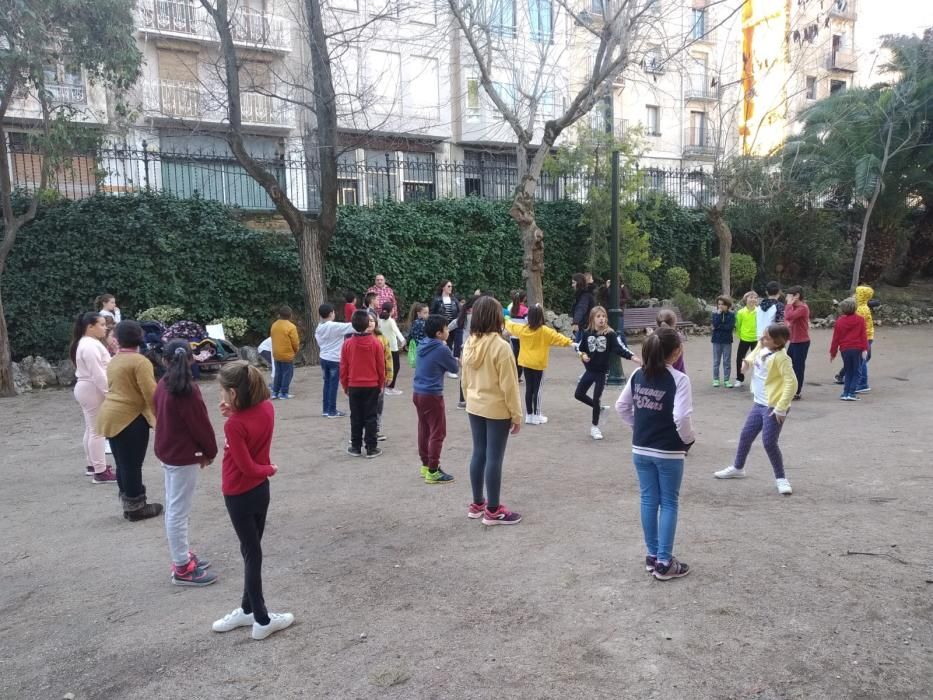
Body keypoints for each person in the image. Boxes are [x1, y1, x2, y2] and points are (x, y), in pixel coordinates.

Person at [212, 361, 294, 641]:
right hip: (260, 491)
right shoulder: (266, 408)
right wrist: (233, 413)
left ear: (234, 393)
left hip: (239, 491)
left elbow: (246, 466)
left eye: (224, 392)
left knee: (251, 553)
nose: (220, 397)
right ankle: (249, 610)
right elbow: (252, 429)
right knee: (252, 549)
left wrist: (269, 469)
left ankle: (261, 618)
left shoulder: (235, 425)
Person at [615, 327, 695, 581]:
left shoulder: (638, 374)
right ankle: (664, 561)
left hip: (641, 448)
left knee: (649, 500)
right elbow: (681, 417)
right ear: (675, 353)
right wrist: (688, 440)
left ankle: (653, 555)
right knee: (669, 502)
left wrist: (637, 427)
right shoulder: (680, 379)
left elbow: (621, 406)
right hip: (669, 451)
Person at [154, 340, 218, 587]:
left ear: (164, 360)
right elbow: (200, 424)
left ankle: (182, 556)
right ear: (193, 359)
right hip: (183, 456)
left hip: (169, 452)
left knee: (174, 507)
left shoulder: (162, 385)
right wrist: (209, 451)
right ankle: (181, 567)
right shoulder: (187, 390)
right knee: (178, 511)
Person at [714, 323, 797, 495]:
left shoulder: (782, 358)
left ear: (777, 342)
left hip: (772, 407)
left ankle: (781, 478)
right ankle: (738, 468)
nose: (762, 339)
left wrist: (781, 408)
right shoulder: (764, 345)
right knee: (746, 436)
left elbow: (792, 383)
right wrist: (747, 362)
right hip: (759, 403)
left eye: (766, 337)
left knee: (769, 442)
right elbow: (756, 351)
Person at [461, 296, 523, 525]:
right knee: (494, 457)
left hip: (474, 405)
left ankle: (478, 503)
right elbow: (510, 385)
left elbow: (465, 379)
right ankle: (494, 510)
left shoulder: (469, 343)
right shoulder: (501, 347)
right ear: (497, 317)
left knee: (479, 453)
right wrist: (516, 415)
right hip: (496, 408)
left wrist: (469, 399)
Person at [97, 321, 162, 520]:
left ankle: (129, 503)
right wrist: (162, 419)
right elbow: (151, 393)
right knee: (132, 465)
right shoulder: (139, 361)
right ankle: (136, 508)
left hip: (110, 415)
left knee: (122, 463)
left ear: (118, 338)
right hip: (130, 418)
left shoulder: (115, 359)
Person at [574, 306, 641, 440]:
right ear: (592, 318)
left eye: (604, 316)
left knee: (596, 397)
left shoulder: (610, 334)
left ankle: (595, 427)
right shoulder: (587, 333)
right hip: (590, 370)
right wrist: (583, 356)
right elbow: (579, 349)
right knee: (578, 394)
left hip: (601, 372)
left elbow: (619, 349)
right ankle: (600, 408)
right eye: (599, 316)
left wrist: (632, 357)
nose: (602, 319)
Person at [505, 305, 573, 425]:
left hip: (525, 362)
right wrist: (571, 343)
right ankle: (537, 415)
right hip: (538, 364)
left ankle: (529, 415)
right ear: (541, 317)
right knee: (538, 389)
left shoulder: (523, 329)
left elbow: (511, 325)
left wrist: (505, 318)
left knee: (529, 389)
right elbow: (559, 338)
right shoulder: (545, 331)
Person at [412, 314, 460, 483]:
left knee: (424, 429)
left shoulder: (423, 343)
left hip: (418, 392)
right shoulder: (441, 348)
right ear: (439, 333)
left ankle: (426, 465)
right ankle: (433, 470)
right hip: (432, 394)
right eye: (446, 328)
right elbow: (454, 368)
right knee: (438, 432)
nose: (448, 331)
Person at [71, 312, 116, 483]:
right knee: (97, 430)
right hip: (92, 388)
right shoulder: (90, 345)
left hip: (88, 388)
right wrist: (109, 393)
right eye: (102, 325)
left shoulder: (87, 343)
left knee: (92, 429)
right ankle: (100, 471)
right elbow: (98, 374)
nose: (105, 328)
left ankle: (93, 466)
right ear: (90, 327)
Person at [340, 310, 386, 458]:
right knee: (371, 416)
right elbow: (381, 366)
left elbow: (344, 367)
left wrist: (345, 385)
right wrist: (381, 384)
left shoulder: (347, 344)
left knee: (356, 416)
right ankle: (371, 447)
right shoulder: (376, 343)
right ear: (368, 324)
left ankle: (355, 446)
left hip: (354, 385)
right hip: (372, 385)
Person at [314, 303, 353, 417]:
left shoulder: (319, 327)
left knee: (327, 384)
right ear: (331, 313)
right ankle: (332, 411)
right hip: (334, 359)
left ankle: (326, 410)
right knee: (333, 385)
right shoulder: (334, 326)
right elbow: (352, 326)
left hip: (323, 358)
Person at [830, 298, 869, 401]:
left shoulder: (839, 321)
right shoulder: (860, 320)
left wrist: (833, 353)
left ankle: (845, 393)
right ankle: (851, 393)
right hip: (857, 349)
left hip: (845, 350)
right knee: (857, 372)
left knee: (848, 371)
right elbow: (863, 336)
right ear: (855, 308)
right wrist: (865, 349)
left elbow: (835, 338)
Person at [783, 285, 811, 400]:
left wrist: (789, 304)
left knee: (798, 367)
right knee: (788, 365)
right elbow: (786, 318)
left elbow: (789, 316)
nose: (787, 298)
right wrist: (787, 323)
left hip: (802, 342)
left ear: (797, 296)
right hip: (793, 341)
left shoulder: (803, 308)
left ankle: (797, 391)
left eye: (789, 296)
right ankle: (789, 388)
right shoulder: (793, 307)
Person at [370, 312, 393, 441]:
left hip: (380, 378)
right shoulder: (355, 338)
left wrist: (389, 374)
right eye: (366, 320)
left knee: (378, 405)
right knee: (362, 406)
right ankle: (361, 431)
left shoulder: (382, 338)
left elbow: (388, 358)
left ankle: (375, 429)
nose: (369, 323)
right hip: (364, 379)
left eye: (372, 320)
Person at [270, 306, 299, 400]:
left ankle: (275, 392)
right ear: (290, 315)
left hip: (276, 353)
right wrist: (295, 350)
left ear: (279, 314)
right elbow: (295, 342)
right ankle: (284, 393)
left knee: (278, 373)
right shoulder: (291, 327)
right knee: (287, 373)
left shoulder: (274, 325)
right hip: (287, 354)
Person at [379, 301, 406, 396]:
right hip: (392, 348)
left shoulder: (379, 320)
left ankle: (384, 386)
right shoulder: (391, 320)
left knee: (385, 367)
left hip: (382, 346)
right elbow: (397, 331)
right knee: (395, 367)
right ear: (391, 310)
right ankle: (390, 387)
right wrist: (403, 340)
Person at [733, 291, 759, 387]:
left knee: (757, 360)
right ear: (746, 299)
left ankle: (756, 379)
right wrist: (740, 335)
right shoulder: (740, 312)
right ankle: (739, 379)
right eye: (751, 297)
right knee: (740, 359)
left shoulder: (759, 311)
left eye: (755, 297)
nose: (753, 299)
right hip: (744, 339)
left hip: (756, 339)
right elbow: (738, 326)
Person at [430, 280, 461, 357]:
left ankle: (452, 359)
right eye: (449, 286)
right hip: (442, 325)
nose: (451, 288)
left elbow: (459, 312)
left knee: (455, 344)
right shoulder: (437, 300)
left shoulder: (454, 300)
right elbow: (432, 313)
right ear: (443, 287)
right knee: (445, 344)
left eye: (451, 286)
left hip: (453, 325)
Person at [711, 296, 736, 388]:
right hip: (716, 340)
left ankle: (726, 380)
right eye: (719, 304)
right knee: (716, 361)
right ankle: (716, 379)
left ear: (727, 305)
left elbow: (729, 327)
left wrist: (718, 327)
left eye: (723, 304)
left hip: (727, 341)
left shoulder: (731, 315)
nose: (720, 306)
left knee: (726, 361)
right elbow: (715, 324)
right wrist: (718, 315)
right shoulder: (715, 314)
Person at [854, 285, 875, 394]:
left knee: (861, 360)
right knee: (864, 358)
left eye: (857, 294)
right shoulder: (863, 306)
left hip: (864, 337)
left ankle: (862, 383)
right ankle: (855, 377)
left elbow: (858, 326)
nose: (854, 295)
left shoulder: (860, 309)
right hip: (868, 336)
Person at [506, 290, 528, 381]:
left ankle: (513, 374)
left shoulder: (512, 309)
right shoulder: (525, 309)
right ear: (524, 298)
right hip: (522, 335)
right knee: (522, 355)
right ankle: (518, 375)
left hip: (513, 334)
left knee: (515, 353)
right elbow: (528, 321)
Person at [569, 273, 596, 343]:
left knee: (581, 349)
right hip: (584, 325)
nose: (572, 285)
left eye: (573, 283)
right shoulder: (583, 294)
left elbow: (581, 308)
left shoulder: (585, 295)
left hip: (586, 327)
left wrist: (576, 321)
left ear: (579, 283)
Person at [406, 302, 428, 368]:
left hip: (419, 347)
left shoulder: (416, 322)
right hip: (422, 347)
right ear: (418, 313)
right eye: (425, 313)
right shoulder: (421, 323)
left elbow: (410, 335)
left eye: (428, 312)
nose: (427, 314)